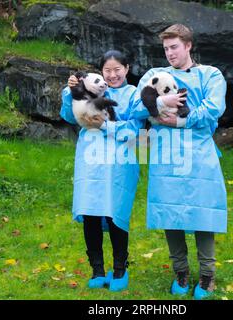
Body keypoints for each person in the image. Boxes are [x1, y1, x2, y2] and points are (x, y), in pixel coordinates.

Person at [131, 24, 228, 300]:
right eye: (166, 49)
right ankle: (181, 271)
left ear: (188, 45)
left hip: (199, 150)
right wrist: (163, 103)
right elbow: (135, 107)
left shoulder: (211, 75)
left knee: (203, 210)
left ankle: (207, 276)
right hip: (166, 152)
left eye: (174, 47)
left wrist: (183, 119)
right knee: (170, 209)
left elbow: (214, 108)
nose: (170, 53)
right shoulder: (155, 76)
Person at [60, 50, 144, 292]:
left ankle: (120, 269)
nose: (112, 74)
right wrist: (71, 92)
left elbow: (135, 129)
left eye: (118, 69)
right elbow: (69, 116)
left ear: (127, 69)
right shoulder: (90, 89)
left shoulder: (133, 94)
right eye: (107, 70)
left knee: (114, 211)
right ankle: (97, 270)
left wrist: (106, 125)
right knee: (91, 211)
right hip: (90, 157)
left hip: (120, 159)